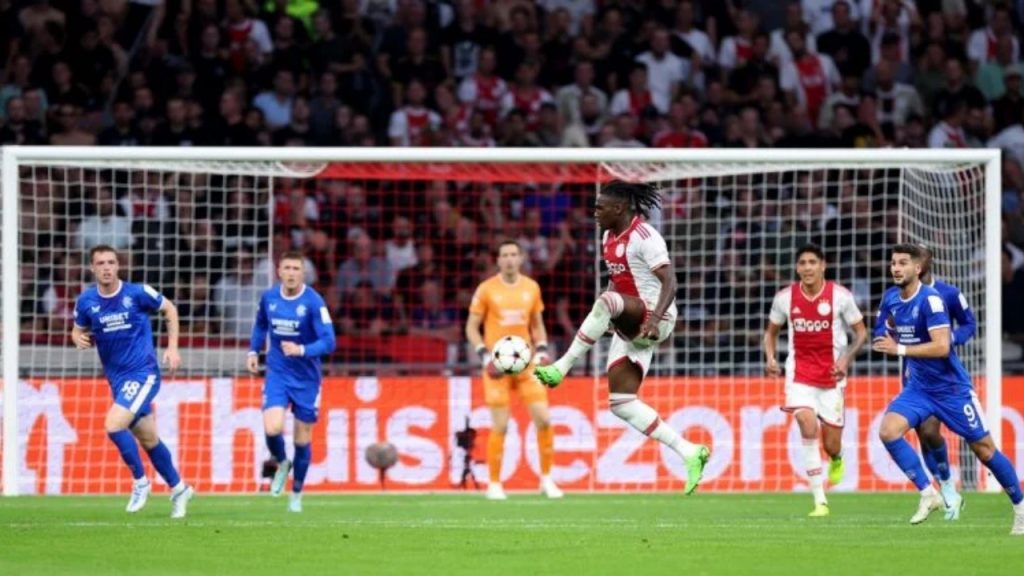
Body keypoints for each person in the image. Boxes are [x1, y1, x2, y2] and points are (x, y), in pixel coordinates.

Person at [535, 180, 709, 494]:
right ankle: (689, 451)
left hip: (657, 317)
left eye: (600, 207)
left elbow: (670, 281)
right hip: (631, 321)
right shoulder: (607, 236)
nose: (595, 213)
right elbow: (618, 281)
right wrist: (609, 320)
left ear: (618, 208)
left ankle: (561, 367)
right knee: (622, 403)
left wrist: (652, 319)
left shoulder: (645, 237)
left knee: (606, 300)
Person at [873, 244, 1023, 533]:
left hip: (951, 390)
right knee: (889, 431)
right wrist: (885, 333)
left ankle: (1020, 507)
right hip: (918, 388)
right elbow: (881, 331)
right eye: (893, 263)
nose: (896, 268)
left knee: (984, 450)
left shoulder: (932, 300)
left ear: (918, 268)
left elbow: (942, 347)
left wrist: (899, 348)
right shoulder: (891, 297)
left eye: (903, 263)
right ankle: (929, 493)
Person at [71, 245, 193, 518]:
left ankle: (140, 482)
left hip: (143, 373)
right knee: (149, 439)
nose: (106, 268)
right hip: (117, 380)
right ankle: (179, 488)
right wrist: (78, 339)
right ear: (92, 268)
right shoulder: (86, 301)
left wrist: (173, 348)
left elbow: (169, 309)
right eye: (100, 263)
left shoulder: (137, 293)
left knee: (113, 425)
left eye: (111, 262)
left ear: (118, 266)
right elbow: (77, 330)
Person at [763, 243, 867, 517]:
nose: (807, 267)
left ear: (823, 266)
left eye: (812, 262)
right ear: (797, 268)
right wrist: (770, 358)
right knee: (807, 424)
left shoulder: (841, 297)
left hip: (832, 377)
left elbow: (861, 332)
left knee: (831, 444)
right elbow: (770, 333)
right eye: (803, 263)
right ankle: (820, 501)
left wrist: (846, 359)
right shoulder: (785, 298)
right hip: (799, 375)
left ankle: (837, 458)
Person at [465, 240, 562, 500]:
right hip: (496, 368)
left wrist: (542, 350)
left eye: (513, 254)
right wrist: (484, 357)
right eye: (504, 255)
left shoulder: (531, 288)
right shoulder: (486, 289)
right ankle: (494, 484)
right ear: (498, 260)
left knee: (544, 419)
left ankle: (546, 480)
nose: (509, 259)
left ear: (521, 259)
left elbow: (537, 325)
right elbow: (471, 327)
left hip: (527, 366)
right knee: (501, 425)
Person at [247, 251, 337, 512]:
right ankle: (282, 461)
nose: (291, 273)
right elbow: (260, 325)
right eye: (287, 268)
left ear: (303, 273)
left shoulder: (314, 302)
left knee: (302, 438)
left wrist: (301, 350)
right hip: (277, 372)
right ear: (279, 271)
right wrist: (253, 351)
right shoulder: (269, 298)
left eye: (296, 269)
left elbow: (329, 341)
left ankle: (296, 493)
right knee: (272, 427)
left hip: (307, 379)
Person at [898, 245, 976, 520]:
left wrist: (949, 339)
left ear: (926, 262)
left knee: (931, 431)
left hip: (943, 375)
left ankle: (947, 486)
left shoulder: (949, 293)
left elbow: (969, 324)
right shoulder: (900, 295)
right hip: (912, 373)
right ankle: (947, 488)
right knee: (922, 433)